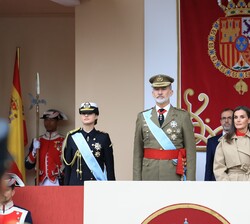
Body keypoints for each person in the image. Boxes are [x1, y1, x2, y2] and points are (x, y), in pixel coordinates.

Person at [133, 74, 196, 181]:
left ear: (171, 92)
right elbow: (137, 152)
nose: (160, 92)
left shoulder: (182, 116)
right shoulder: (143, 117)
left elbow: (190, 151)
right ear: (153, 93)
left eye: (164, 88)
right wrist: (136, 180)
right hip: (149, 173)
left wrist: (190, 181)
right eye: (156, 89)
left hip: (173, 174)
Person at [63, 102, 115, 185]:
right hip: (76, 185)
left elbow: (109, 167)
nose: (86, 116)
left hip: (96, 185)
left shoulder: (103, 137)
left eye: (90, 113)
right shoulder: (72, 137)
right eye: (83, 113)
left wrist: (112, 187)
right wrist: (65, 188)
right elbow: (68, 167)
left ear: (96, 116)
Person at [25, 109, 67, 186]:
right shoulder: (37, 140)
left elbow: (68, 164)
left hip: (58, 181)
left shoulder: (64, 140)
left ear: (57, 121)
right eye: (46, 120)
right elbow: (28, 165)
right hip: (40, 181)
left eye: (51, 120)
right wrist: (34, 151)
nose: (48, 123)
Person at [214, 105, 250, 181]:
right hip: (231, 183)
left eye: (242, 117)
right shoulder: (224, 141)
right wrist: (227, 186)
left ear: (249, 120)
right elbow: (218, 168)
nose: (238, 120)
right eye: (236, 117)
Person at [204, 108, 233, 181]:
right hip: (216, 183)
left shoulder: (242, 139)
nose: (226, 121)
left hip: (236, 182)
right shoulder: (212, 141)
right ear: (220, 121)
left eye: (229, 118)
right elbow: (209, 167)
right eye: (224, 118)